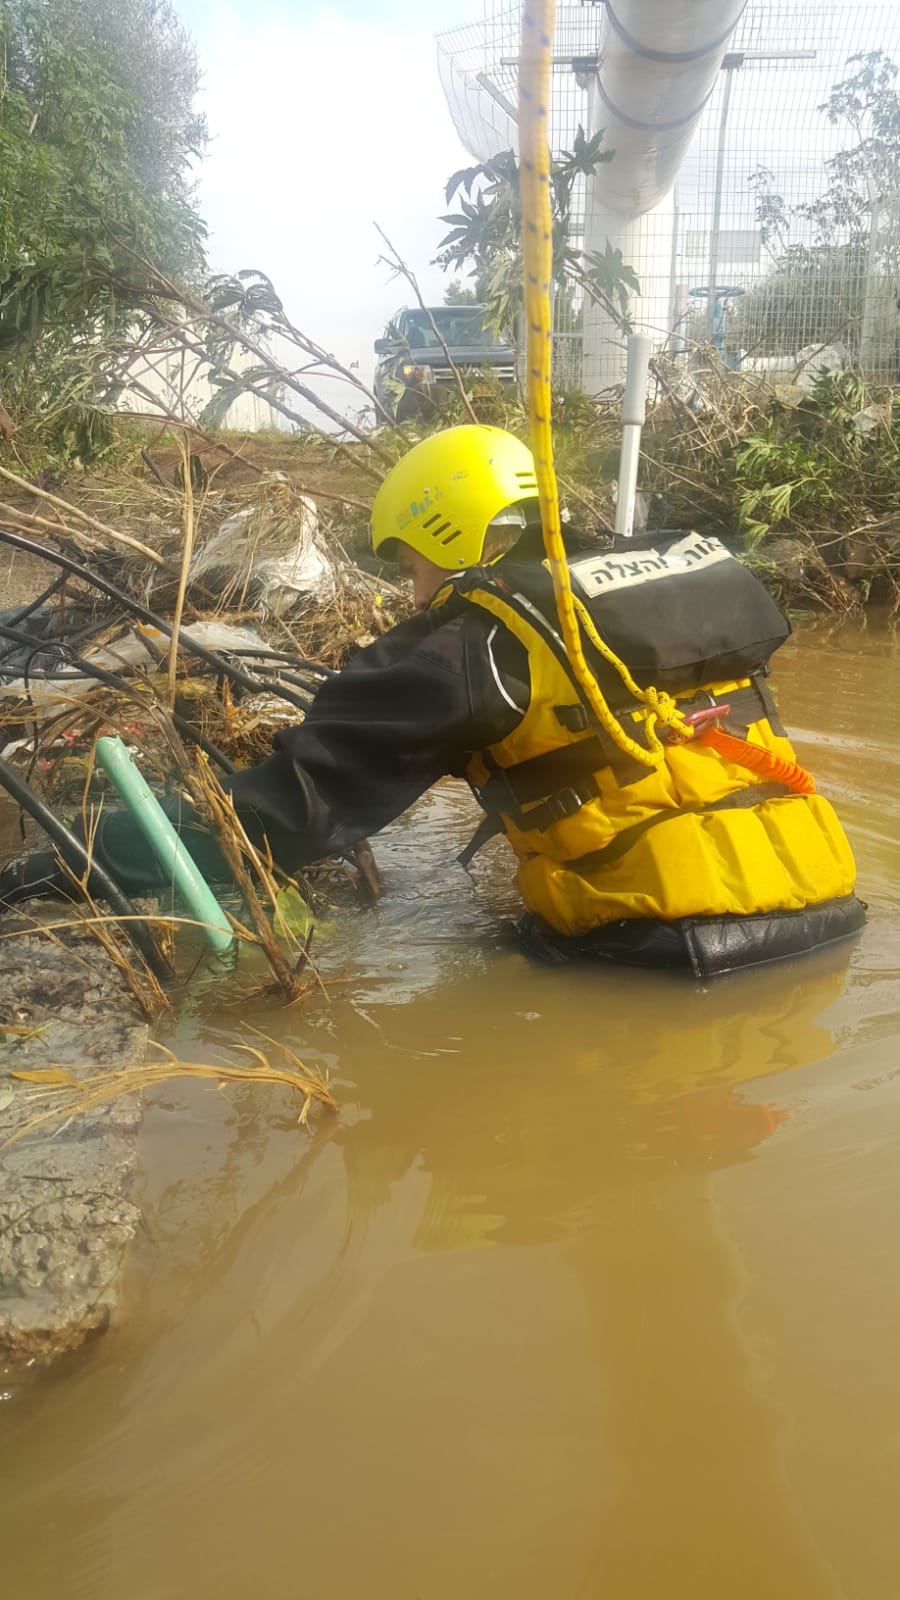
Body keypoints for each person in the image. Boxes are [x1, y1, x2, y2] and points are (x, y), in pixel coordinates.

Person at [0, 425, 865, 977]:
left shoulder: (468, 646)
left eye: (413, 562)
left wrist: (66, 860)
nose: (414, 592)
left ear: (450, 537)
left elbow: (279, 817)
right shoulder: (652, 590)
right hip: (827, 915)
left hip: (660, 955)